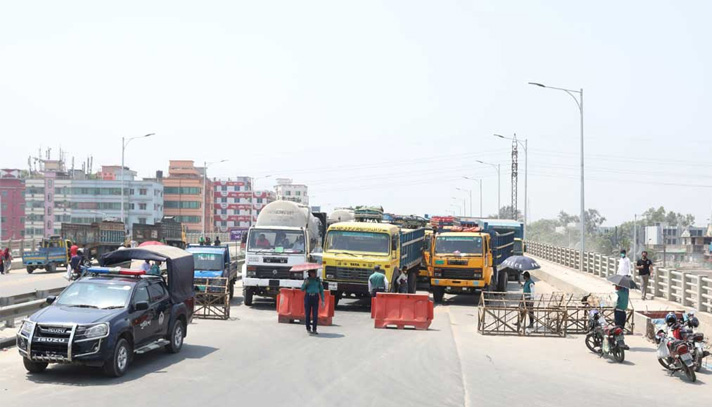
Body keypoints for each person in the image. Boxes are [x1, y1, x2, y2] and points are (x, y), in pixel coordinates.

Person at [301, 268, 325, 334]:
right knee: (307, 314)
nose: (314, 274)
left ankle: (314, 329)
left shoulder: (318, 280)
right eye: (312, 272)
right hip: (308, 297)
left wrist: (323, 300)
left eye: (314, 272)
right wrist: (305, 284)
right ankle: (308, 328)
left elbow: (321, 291)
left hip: (315, 297)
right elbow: (302, 289)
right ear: (310, 273)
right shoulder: (307, 280)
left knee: (315, 314)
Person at [614, 284, 630, 349]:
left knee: (617, 328)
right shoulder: (626, 293)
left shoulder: (617, 293)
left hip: (618, 312)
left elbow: (614, 303)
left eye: (615, 286)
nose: (615, 287)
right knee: (621, 328)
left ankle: (619, 342)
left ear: (618, 287)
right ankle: (620, 341)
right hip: (623, 312)